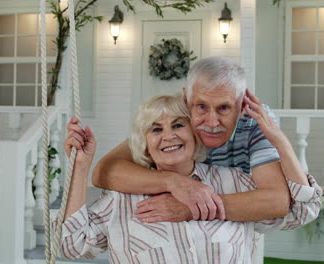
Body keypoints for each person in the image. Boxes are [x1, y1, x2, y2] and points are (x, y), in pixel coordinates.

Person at [56, 94, 321, 263]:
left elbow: (303, 209)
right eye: (156, 129)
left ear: (196, 135)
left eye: (178, 125)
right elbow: (70, 245)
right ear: (144, 144)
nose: (168, 136)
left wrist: (278, 139)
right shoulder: (121, 198)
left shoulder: (233, 183)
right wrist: (80, 167)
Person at [65, 57, 305, 222]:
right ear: (186, 99)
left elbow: (276, 201)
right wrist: (174, 182)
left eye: (223, 108)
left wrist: (191, 207)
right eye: (200, 106)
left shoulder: (256, 121)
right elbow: (104, 173)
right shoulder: (174, 118)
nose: (211, 122)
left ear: (242, 107)